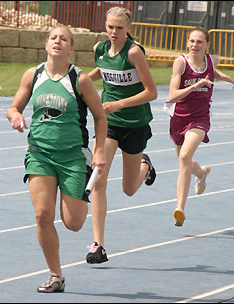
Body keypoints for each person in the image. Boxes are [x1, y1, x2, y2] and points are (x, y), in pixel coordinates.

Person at [6, 25, 107, 292]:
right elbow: (14, 106)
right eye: (53, 37)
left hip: (73, 156)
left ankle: (83, 189)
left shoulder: (80, 80)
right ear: (46, 44)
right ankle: (55, 276)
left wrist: (98, 151)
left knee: (73, 223)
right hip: (40, 153)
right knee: (42, 215)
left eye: (64, 39)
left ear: (71, 47)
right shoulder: (33, 75)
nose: (58, 42)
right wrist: (15, 115)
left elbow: (100, 117)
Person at [86, 6, 157, 264]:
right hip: (108, 123)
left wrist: (119, 104)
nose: (114, 32)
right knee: (98, 178)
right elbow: (102, 72)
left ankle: (145, 167)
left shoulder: (134, 52)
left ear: (128, 28)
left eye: (119, 27)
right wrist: (81, 81)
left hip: (135, 123)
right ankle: (98, 245)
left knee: (128, 190)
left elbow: (151, 92)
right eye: (110, 27)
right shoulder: (100, 50)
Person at [168, 27, 234, 227]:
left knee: (184, 157)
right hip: (179, 118)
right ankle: (201, 174)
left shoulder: (212, 60)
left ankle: (180, 208)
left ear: (207, 45)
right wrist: (194, 86)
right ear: (187, 43)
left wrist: (232, 80)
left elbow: (213, 72)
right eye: (192, 41)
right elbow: (172, 95)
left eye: (199, 42)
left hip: (200, 119)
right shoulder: (180, 63)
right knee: (184, 160)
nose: (195, 45)